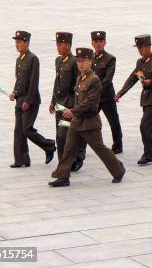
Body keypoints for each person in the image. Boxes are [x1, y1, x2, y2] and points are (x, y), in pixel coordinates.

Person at [49, 47, 125, 187]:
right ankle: (63, 177)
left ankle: (118, 170)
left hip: (90, 122)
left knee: (100, 149)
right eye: (78, 61)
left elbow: (90, 102)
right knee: (69, 149)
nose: (80, 64)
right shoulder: (80, 78)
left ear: (90, 62)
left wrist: (73, 111)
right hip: (77, 122)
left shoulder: (94, 80)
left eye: (84, 61)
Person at [116, 35, 152, 165]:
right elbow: (133, 78)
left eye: (142, 47)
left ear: (148, 47)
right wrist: (120, 93)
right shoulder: (140, 62)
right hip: (146, 99)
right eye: (138, 48)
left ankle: (148, 154)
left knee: (144, 125)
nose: (140, 50)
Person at [10, 30, 56, 168]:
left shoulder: (33, 59)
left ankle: (49, 146)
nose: (16, 45)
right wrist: (14, 93)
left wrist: (28, 101)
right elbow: (19, 80)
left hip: (31, 101)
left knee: (27, 129)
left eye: (19, 42)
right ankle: (21, 160)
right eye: (16, 42)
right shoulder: (19, 59)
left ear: (27, 42)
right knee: (18, 131)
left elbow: (34, 82)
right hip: (20, 100)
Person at [49, 32, 85, 171]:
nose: (58, 46)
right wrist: (53, 101)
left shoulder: (75, 62)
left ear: (68, 45)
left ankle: (76, 157)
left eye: (60, 44)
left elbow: (78, 84)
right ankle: (63, 162)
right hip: (59, 103)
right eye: (57, 44)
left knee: (64, 134)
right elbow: (56, 82)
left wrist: (75, 105)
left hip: (69, 104)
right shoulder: (58, 61)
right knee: (60, 134)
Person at [91, 31, 123, 154]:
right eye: (96, 42)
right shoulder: (90, 57)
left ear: (105, 42)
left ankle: (118, 145)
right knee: (88, 119)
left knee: (113, 121)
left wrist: (95, 90)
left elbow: (108, 79)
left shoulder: (110, 58)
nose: (98, 44)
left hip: (106, 96)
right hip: (94, 97)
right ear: (92, 43)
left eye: (100, 41)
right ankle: (82, 146)